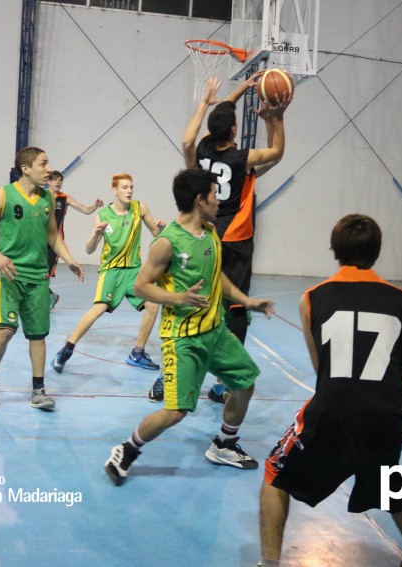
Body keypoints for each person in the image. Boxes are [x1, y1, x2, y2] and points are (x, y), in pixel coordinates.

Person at [257, 214, 402, 567]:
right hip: (387, 418)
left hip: (332, 413)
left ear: (335, 250)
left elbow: (321, 369)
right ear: (377, 251)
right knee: (392, 488)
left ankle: (269, 564)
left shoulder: (311, 299)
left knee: (275, 474)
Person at [105, 168, 276, 486]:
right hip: (183, 339)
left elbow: (216, 277)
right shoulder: (167, 242)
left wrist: (245, 301)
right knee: (175, 412)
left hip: (216, 332)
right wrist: (177, 297)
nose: (218, 200)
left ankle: (224, 445)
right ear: (200, 200)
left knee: (245, 383)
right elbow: (142, 286)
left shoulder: (210, 231)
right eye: (214, 195)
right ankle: (126, 450)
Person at [149, 73, 289, 404]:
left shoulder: (202, 149)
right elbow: (278, 151)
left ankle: (166, 375)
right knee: (236, 306)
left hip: (203, 235)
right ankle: (225, 382)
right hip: (234, 236)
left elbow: (187, 140)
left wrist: (216, 98)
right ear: (235, 131)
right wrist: (275, 117)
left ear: (212, 130)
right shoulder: (243, 160)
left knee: (193, 299)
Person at [0, 147, 85, 412]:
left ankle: (39, 390)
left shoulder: (48, 198)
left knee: (38, 336)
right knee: (5, 332)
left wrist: (69, 259)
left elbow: (52, 235)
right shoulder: (2, 195)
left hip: (38, 275)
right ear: (26, 168)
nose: (49, 169)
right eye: (43, 164)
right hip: (8, 274)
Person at [51, 173, 165, 374]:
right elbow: (89, 250)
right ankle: (66, 349)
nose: (129, 191)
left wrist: (160, 228)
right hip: (111, 271)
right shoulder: (103, 215)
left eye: (131, 187)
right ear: (115, 190)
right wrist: (96, 234)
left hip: (134, 271)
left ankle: (137, 353)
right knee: (99, 308)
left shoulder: (140, 208)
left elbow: (156, 233)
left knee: (153, 305)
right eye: (124, 187)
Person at [47, 170, 103, 311]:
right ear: (48, 182)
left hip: (56, 241)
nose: (58, 182)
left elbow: (85, 209)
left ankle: (48, 297)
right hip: (39, 239)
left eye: (60, 180)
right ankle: (46, 296)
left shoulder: (65, 198)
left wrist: (95, 206)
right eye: (55, 180)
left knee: (46, 271)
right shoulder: (41, 197)